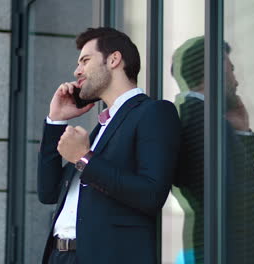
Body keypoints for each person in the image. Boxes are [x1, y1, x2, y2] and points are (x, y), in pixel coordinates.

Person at [37, 27, 181, 264]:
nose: (77, 71)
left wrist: (84, 158)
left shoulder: (153, 112)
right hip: (59, 256)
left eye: (85, 60)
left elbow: (151, 194)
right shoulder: (100, 129)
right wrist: (56, 120)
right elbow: (48, 192)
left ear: (114, 59)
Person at [172, 37, 254, 263]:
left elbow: (236, 178)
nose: (236, 81)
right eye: (230, 70)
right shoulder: (202, 120)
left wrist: (241, 131)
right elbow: (234, 194)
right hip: (230, 251)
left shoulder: (203, 118)